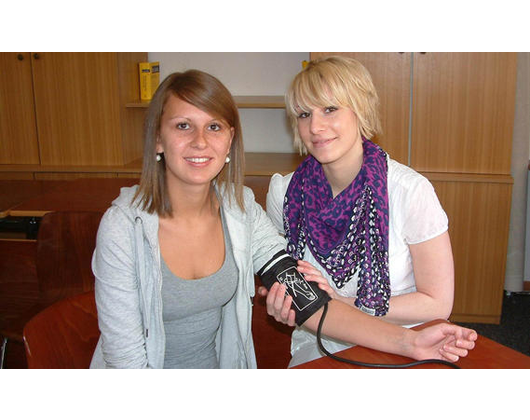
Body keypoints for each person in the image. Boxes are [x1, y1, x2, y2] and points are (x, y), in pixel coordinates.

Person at [262, 55, 474, 367]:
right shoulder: (284, 193)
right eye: (304, 114)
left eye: (330, 109)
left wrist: (341, 304)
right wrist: (284, 300)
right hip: (318, 341)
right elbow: (287, 280)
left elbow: (437, 303)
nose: (315, 127)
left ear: (360, 109)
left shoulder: (408, 191)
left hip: (402, 338)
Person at [90, 70, 285, 368]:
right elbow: (125, 360)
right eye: (183, 126)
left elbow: (284, 268)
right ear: (157, 138)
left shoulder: (240, 206)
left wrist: (299, 298)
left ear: (230, 140)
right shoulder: (123, 226)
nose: (200, 141)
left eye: (214, 127)